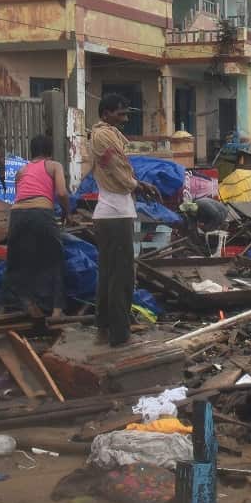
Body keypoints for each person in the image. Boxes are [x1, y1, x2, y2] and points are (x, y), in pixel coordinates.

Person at [88, 94, 161, 347]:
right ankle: (119, 335)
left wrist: (138, 185)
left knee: (108, 275)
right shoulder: (103, 136)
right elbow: (118, 170)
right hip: (115, 215)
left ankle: (104, 329)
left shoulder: (105, 135)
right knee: (122, 277)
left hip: (112, 213)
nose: (125, 119)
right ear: (106, 114)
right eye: (120, 114)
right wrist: (137, 185)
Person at [1, 135, 73, 320]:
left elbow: (21, 196)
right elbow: (62, 193)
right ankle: (57, 310)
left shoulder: (22, 171)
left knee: (19, 262)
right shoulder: (54, 165)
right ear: (50, 151)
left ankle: (22, 304)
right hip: (41, 213)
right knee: (54, 259)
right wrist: (67, 211)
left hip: (17, 215)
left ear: (31, 151)